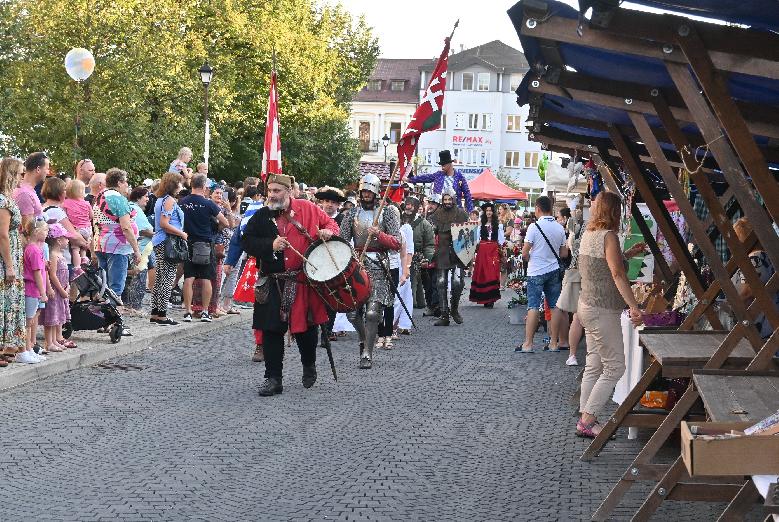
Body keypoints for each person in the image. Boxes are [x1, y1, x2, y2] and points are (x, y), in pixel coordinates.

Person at [241, 173, 339, 396]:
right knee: (271, 331)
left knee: (306, 331)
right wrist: (270, 244)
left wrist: (328, 232)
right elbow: (246, 241)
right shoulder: (262, 216)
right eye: (270, 191)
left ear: (289, 191)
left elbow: (332, 223)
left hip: (303, 281)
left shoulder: (308, 208)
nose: (272, 195)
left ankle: (309, 365)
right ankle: (273, 378)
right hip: (273, 282)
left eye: (277, 191)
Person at [577, 192, 644, 438]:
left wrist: (628, 254)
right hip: (602, 309)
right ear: (615, 212)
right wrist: (634, 306)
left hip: (587, 305)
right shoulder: (609, 237)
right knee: (615, 367)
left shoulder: (589, 235)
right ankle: (587, 419)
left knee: (594, 364)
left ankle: (585, 413)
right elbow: (617, 274)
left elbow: (603, 266)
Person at [339, 173, 401, 369]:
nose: (366, 195)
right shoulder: (351, 214)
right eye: (363, 191)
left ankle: (367, 352)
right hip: (357, 265)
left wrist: (380, 235)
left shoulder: (387, 213)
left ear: (376, 193)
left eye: (369, 192)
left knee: (373, 313)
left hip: (379, 266)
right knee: (352, 313)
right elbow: (342, 241)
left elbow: (396, 243)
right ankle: (364, 340)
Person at [517, 196, 568, 353]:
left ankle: (528, 344)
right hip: (553, 271)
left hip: (536, 272)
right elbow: (564, 253)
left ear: (538, 209)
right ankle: (554, 343)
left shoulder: (534, 227)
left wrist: (532, 258)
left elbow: (525, 253)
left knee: (533, 306)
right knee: (555, 307)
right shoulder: (560, 228)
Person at [179, 174, 227, 322]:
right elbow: (225, 222)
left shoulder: (182, 202)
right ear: (204, 186)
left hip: (188, 242)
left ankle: (188, 311)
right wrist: (215, 229)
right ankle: (205, 312)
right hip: (206, 243)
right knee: (206, 278)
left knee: (189, 277)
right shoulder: (208, 204)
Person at [93, 168, 141, 299]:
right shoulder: (117, 198)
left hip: (101, 244)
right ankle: (112, 317)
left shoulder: (100, 195)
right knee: (115, 288)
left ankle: (102, 316)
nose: (127, 185)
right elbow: (126, 227)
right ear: (119, 182)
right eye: (126, 182)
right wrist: (136, 250)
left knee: (103, 285)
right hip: (117, 247)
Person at [732, 217, 779, 339]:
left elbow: (749, 291)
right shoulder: (765, 255)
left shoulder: (755, 257)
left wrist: (730, 304)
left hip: (760, 324)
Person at [427, 188, 469, 326]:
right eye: (445, 200)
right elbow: (430, 236)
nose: (447, 202)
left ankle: (454, 310)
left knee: (457, 282)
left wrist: (469, 257)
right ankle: (444, 315)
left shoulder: (462, 214)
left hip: (458, 253)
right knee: (440, 282)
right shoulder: (436, 215)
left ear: (454, 199)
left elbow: (468, 237)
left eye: (449, 199)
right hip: (442, 252)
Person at [150, 172, 186, 325]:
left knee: (160, 277)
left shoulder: (160, 199)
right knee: (167, 278)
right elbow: (165, 224)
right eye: (180, 183)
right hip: (167, 241)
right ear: (173, 184)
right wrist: (182, 233)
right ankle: (162, 314)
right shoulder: (169, 200)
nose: (181, 186)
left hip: (160, 240)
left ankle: (156, 312)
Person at [0, 158, 26, 367]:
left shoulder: (7, 199)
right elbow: (2, 235)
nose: (22, 177)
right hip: (4, 260)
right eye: (20, 173)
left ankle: (7, 345)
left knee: (9, 301)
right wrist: (9, 265)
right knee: (3, 302)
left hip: (12, 257)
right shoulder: (2, 201)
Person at [314, 186, 347, 348]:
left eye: (333, 202)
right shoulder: (314, 218)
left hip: (335, 263)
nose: (329, 205)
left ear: (338, 205)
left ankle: (326, 333)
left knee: (331, 299)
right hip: (314, 262)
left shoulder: (343, 220)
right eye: (326, 201)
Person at [557, 209, 585, 366]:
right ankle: (573, 354)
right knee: (579, 318)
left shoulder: (575, 235)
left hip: (578, 277)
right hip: (587, 280)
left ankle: (572, 355)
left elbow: (568, 252)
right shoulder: (581, 234)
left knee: (577, 317)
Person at [41, 223, 73, 352]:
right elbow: (53, 275)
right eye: (66, 238)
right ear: (59, 241)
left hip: (62, 290)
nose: (68, 240)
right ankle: (49, 342)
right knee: (52, 316)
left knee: (58, 316)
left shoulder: (61, 255)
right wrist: (61, 290)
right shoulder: (53, 255)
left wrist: (67, 287)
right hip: (56, 291)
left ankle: (54, 340)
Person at [407, 150, 473, 212]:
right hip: (439, 209)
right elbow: (425, 177)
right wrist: (410, 179)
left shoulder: (460, 177)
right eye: (441, 165)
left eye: (443, 165)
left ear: (450, 164)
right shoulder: (438, 175)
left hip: (455, 211)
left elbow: (467, 194)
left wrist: (470, 211)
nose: (442, 167)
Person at [21, 219, 49, 364]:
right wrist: (43, 292)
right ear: (37, 232)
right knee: (28, 321)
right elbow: (37, 273)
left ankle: (29, 349)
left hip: (34, 290)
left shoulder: (34, 249)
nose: (47, 233)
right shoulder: (33, 250)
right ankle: (24, 350)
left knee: (31, 321)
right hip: (32, 289)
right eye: (45, 231)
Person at [124, 187, 154, 313]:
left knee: (132, 277)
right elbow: (142, 230)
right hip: (139, 248)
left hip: (137, 248)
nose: (148, 199)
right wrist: (155, 235)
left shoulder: (130, 207)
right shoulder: (135, 209)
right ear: (138, 197)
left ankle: (130, 305)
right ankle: (134, 307)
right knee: (139, 277)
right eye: (145, 196)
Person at [402, 195, 435, 310]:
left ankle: (412, 302)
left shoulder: (424, 224)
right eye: (407, 203)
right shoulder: (397, 220)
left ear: (416, 207)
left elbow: (430, 244)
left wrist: (427, 258)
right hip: (399, 256)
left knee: (414, 281)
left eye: (412, 204)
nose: (409, 206)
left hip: (416, 258)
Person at [469, 202, 504, 308]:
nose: (489, 212)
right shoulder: (480, 225)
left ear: (493, 212)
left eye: (490, 211)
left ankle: (491, 298)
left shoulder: (498, 224)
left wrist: (502, 251)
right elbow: (476, 239)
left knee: (492, 273)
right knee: (483, 273)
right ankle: (483, 297)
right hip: (483, 251)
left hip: (493, 250)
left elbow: (501, 240)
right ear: (484, 212)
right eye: (487, 211)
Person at [62, 179, 93, 271]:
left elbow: (64, 215)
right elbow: (91, 216)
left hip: (77, 229)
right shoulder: (87, 203)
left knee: (75, 249)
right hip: (87, 228)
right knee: (83, 247)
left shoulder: (66, 203)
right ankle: (83, 257)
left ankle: (77, 267)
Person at [14, 152, 48, 230]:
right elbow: (28, 230)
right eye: (47, 168)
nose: (48, 172)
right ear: (38, 169)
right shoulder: (24, 193)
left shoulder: (28, 190)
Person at [394, 219, 414, 335]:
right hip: (388, 265)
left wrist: (406, 268)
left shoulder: (405, 228)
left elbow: (409, 250)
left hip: (402, 266)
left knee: (401, 297)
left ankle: (396, 325)